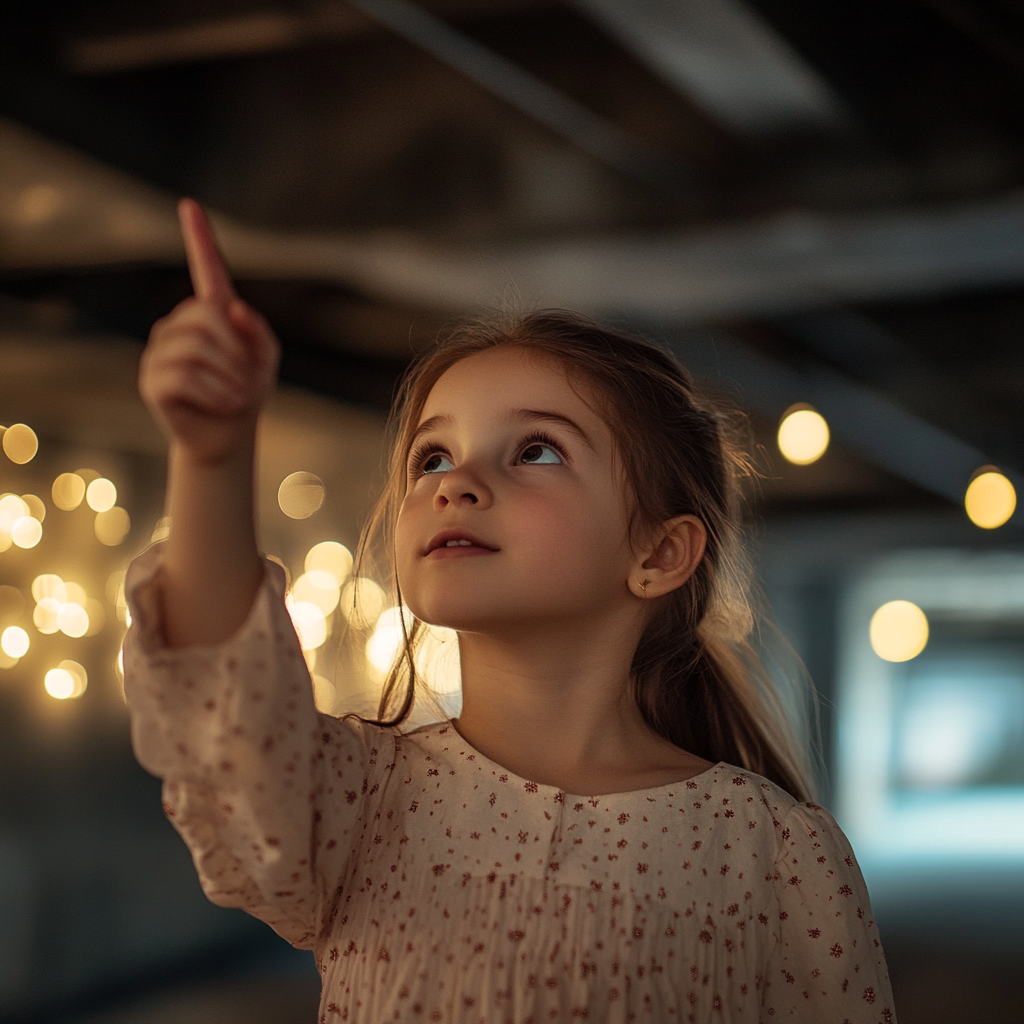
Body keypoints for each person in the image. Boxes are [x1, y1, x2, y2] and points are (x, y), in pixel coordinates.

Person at [124, 198, 896, 1023]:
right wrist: (212, 455)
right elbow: (224, 708)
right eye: (432, 455)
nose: (456, 481)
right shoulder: (356, 796)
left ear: (659, 554)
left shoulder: (776, 854)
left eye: (536, 450)